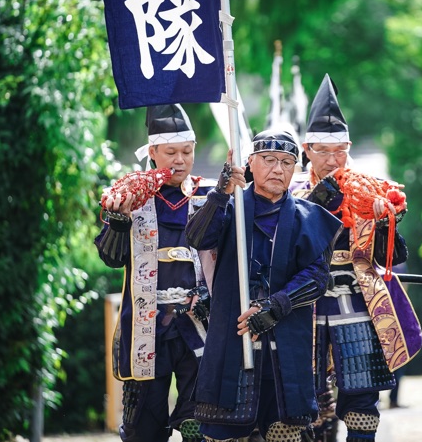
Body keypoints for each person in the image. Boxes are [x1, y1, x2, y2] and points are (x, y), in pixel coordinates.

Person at [184, 128, 342, 442]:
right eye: (269, 159)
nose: (278, 169)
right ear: (251, 164)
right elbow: (197, 238)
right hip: (230, 340)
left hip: (285, 347)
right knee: (224, 435)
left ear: (295, 169)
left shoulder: (309, 219)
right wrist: (220, 193)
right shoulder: (228, 208)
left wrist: (275, 306)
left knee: (285, 433)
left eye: (286, 162)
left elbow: (316, 277)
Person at [290, 74, 422, 442]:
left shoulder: (369, 188)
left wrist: (387, 222)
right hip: (305, 305)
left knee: (363, 405)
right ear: (306, 149)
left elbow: (390, 258)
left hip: (358, 302)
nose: (333, 160)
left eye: (340, 151)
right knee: (305, 404)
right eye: (323, 151)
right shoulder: (289, 191)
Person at [95, 104, 213, 442]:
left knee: (200, 423)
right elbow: (111, 257)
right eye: (171, 152)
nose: (179, 160)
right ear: (152, 153)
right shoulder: (131, 199)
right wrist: (119, 222)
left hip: (197, 322)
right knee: (144, 425)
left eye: (187, 152)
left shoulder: (208, 196)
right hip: (147, 325)